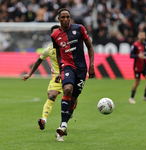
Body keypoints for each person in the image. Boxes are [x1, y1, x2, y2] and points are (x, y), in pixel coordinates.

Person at [22, 25, 77, 131]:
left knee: (73, 99)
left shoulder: (69, 47)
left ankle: (70, 112)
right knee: (51, 96)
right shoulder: (49, 49)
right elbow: (39, 60)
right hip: (56, 77)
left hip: (70, 75)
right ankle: (44, 120)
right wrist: (30, 74)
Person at [51, 8, 95, 141]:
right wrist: (59, 70)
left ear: (70, 18)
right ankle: (63, 124)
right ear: (58, 19)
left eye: (67, 17)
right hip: (67, 66)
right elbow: (58, 53)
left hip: (81, 69)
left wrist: (91, 65)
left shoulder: (79, 29)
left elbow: (90, 47)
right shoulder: (55, 36)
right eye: (62, 17)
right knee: (67, 89)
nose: (65, 19)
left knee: (73, 99)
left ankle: (62, 126)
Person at [129, 30, 146, 104]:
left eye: (143, 35)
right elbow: (131, 55)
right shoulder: (135, 45)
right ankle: (131, 97)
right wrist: (137, 56)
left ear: (145, 36)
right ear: (138, 36)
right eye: (141, 35)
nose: (142, 36)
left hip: (144, 66)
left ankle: (145, 96)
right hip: (137, 66)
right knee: (137, 82)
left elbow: (145, 53)